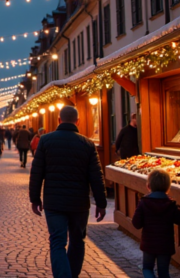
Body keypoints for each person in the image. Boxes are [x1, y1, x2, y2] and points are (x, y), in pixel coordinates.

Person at [29, 106, 107, 278]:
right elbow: (96, 176)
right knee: (78, 241)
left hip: (54, 202)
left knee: (57, 241)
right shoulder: (87, 144)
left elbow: (37, 172)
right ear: (77, 121)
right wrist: (101, 203)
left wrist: (35, 199)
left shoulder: (46, 141)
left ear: (59, 120)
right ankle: (72, 274)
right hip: (79, 203)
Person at [131, 169, 180, 278]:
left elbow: (136, 223)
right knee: (164, 272)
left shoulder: (144, 203)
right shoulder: (171, 205)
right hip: (165, 245)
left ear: (148, 186)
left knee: (147, 268)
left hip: (148, 243)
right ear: (168, 187)